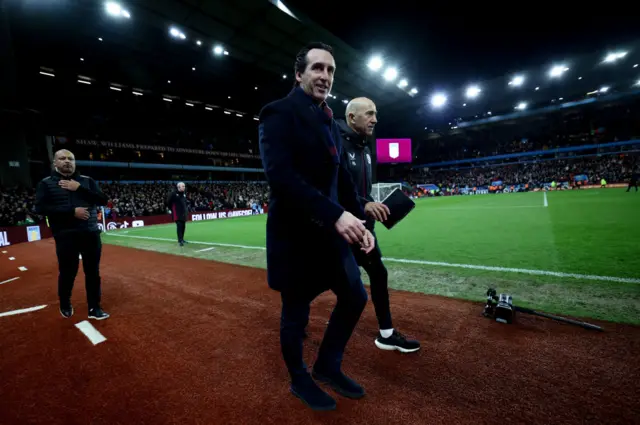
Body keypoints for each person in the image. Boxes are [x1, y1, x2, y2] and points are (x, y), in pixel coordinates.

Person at [258, 41, 375, 411]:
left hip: (330, 236)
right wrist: (334, 214)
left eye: (330, 71)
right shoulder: (278, 113)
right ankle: (299, 379)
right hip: (295, 237)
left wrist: (360, 219)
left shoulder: (329, 121)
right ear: (299, 74)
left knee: (355, 296)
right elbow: (281, 177)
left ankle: (327, 365)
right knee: (295, 313)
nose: (325, 76)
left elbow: (340, 182)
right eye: (317, 68)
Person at [335, 97, 421, 353]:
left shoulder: (366, 148)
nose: (375, 119)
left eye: (376, 114)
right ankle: (297, 317)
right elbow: (333, 191)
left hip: (364, 230)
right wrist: (363, 204)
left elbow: (362, 190)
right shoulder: (336, 144)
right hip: (341, 229)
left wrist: (377, 207)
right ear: (352, 118)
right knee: (330, 282)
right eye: (369, 114)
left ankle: (386, 334)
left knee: (378, 274)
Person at [34, 149, 109, 320]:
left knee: (92, 272)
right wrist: (71, 211)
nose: (67, 161)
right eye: (62, 158)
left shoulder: (87, 181)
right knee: (68, 272)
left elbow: (103, 200)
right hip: (65, 235)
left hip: (90, 233)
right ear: (55, 163)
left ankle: (94, 308)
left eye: (71, 159)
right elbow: (40, 208)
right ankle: (65, 302)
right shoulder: (46, 184)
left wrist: (79, 189)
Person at [166, 182, 188, 246]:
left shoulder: (184, 194)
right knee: (179, 226)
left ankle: (182, 239)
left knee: (183, 226)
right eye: (183, 186)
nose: (184, 187)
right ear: (178, 187)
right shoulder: (173, 194)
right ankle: (180, 240)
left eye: (184, 186)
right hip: (176, 213)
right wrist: (171, 209)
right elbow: (168, 202)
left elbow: (184, 203)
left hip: (183, 213)